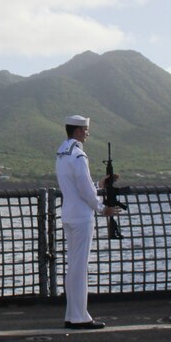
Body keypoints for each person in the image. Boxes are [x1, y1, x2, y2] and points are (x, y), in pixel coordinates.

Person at [55, 115, 121, 330]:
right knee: (80, 268)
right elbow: (85, 190)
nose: (87, 133)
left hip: (68, 214)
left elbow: (78, 185)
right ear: (78, 131)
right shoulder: (79, 155)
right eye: (85, 130)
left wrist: (99, 183)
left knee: (73, 266)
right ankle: (80, 316)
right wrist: (102, 208)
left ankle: (72, 313)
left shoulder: (62, 153)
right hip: (82, 216)